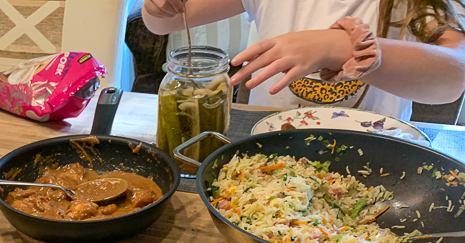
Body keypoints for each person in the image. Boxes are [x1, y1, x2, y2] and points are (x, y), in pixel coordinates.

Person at [142, 0, 465, 121]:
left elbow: (454, 75)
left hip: (377, 157)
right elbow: (164, 21)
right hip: (268, 154)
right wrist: (157, 7)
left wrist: (346, 47)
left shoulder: (417, 5)